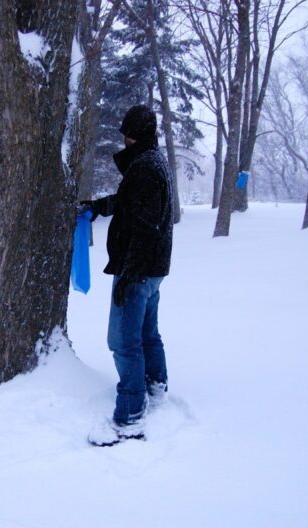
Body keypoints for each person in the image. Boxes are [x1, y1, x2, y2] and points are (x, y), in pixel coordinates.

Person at [81, 104, 174, 447]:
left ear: (134, 134)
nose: (124, 138)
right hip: (152, 270)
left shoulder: (146, 168)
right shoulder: (152, 163)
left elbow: (146, 227)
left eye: (127, 133)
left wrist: (130, 275)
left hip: (139, 270)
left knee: (122, 340)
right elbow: (128, 202)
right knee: (147, 333)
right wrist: (97, 207)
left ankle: (131, 417)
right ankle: (155, 386)